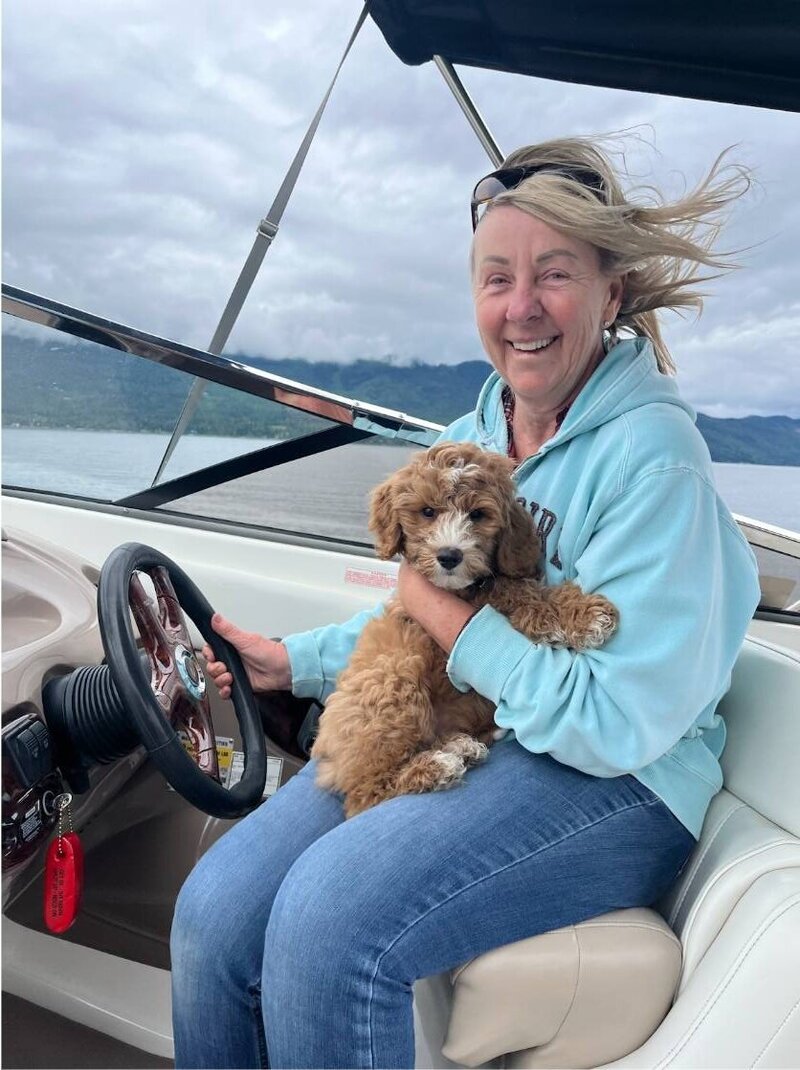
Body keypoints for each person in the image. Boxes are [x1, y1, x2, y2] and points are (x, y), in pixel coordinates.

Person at [170, 136, 760, 1069]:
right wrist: (296, 661)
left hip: (624, 780)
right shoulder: (473, 433)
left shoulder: (655, 462)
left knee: (329, 923)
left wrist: (450, 616)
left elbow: (611, 723)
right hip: (485, 725)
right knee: (212, 912)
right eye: (497, 279)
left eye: (554, 273)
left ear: (611, 295)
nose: (521, 306)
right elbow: (411, 621)